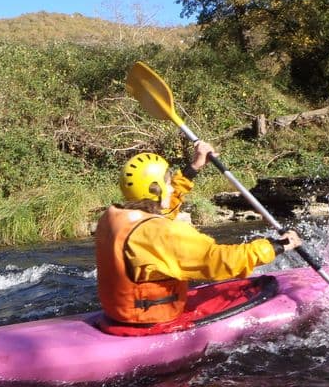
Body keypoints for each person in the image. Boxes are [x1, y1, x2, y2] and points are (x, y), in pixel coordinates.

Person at [95, 140, 302, 328]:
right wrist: (276, 246)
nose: (170, 187)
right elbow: (220, 260)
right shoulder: (161, 234)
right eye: (167, 183)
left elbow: (161, 211)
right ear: (156, 190)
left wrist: (193, 168)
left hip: (117, 314)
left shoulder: (113, 217)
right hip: (150, 321)